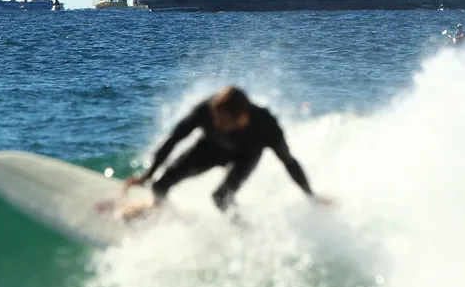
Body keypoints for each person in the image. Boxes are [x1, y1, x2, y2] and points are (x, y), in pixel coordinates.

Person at [123, 86, 332, 215]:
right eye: (215, 118)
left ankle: (244, 232)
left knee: (221, 199)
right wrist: (147, 175)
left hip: (246, 156)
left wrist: (311, 196)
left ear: (243, 118)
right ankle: (159, 211)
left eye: (222, 122)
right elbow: (173, 140)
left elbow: (289, 162)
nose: (216, 123)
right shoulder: (206, 110)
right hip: (210, 148)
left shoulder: (266, 127)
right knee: (160, 184)